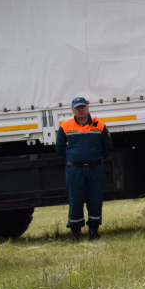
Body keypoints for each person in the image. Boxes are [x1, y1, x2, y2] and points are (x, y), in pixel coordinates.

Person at [56, 97, 112, 241]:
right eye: (77, 107)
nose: (81, 109)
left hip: (96, 169)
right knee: (75, 200)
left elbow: (107, 146)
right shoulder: (65, 126)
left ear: (87, 107)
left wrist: (94, 159)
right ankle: (76, 233)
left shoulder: (99, 125)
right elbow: (60, 148)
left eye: (83, 106)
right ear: (73, 110)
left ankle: (94, 231)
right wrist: (74, 158)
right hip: (75, 170)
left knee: (95, 199)